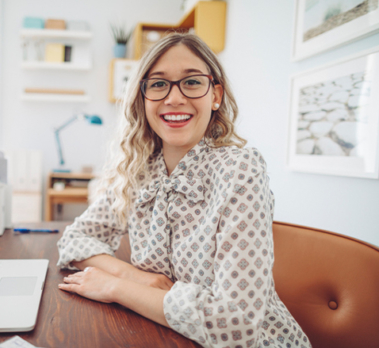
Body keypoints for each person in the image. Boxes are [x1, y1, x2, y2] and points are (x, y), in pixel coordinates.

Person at [57, 33, 311, 348]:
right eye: (159, 84)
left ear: (215, 95)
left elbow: (239, 324)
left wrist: (115, 287)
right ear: (143, 97)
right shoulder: (137, 169)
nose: (174, 98)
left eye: (191, 82)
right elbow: (74, 241)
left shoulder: (240, 171)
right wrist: (134, 276)